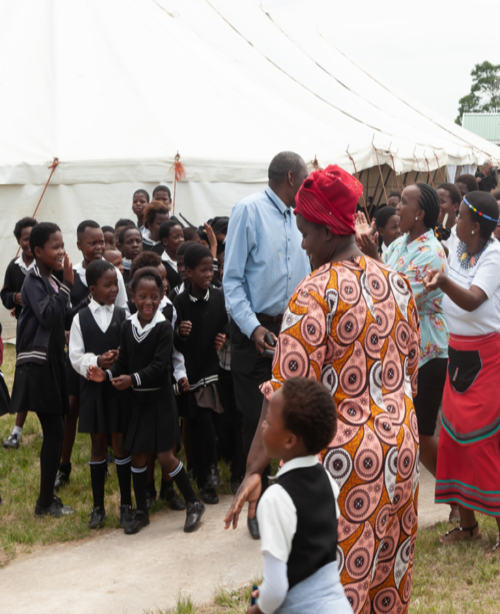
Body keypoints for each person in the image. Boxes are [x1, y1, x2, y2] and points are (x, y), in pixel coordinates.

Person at [226, 164, 419, 613]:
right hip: (401, 449)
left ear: (330, 232)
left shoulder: (313, 294)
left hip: (345, 464)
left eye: (307, 232)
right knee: (387, 576)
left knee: (338, 586)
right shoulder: (396, 282)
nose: (302, 242)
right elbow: (410, 367)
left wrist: (255, 466)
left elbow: (285, 395)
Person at [424, 190, 500, 557]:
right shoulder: (457, 243)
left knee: (481, 442)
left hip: (489, 358)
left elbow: (472, 299)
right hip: (458, 353)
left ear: (476, 226)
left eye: (461, 215)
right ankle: (467, 525)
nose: (454, 220)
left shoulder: (494, 255)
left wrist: (443, 281)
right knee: (451, 439)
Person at [222, 151, 311, 540]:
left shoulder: (300, 218)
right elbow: (232, 280)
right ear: (291, 177)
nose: (307, 184)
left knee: (293, 416)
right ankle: (257, 503)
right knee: (256, 420)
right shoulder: (249, 210)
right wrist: (254, 328)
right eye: (305, 178)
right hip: (256, 332)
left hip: (294, 330)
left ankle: (285, 500)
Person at [89, 266, 205, 534]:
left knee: (165, 456)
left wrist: (131, 380)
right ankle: (141, 512)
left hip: (161, 401)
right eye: (142, 296)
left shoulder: (163, 327)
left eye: (154, 296)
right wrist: (105, 375)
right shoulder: (128, 326)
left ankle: (193, 502)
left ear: (162, 296)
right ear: (132, 296)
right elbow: (123, 362)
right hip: (138, 403)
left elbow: (158, 366)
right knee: (138, 457)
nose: (148, 302)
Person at [246, 379, 352, 614]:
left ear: (289, 440)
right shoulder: (328, 481)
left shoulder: (275, 498)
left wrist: (257, 609)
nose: (263, 425)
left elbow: (276, 588)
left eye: (268, 421)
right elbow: (312, 556)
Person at [371, 183, 449, 484]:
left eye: (403, 202)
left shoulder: (431, 253)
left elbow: (397, 295)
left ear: (419, 214)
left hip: (429, 353)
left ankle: (461, 504)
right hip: (403, 352)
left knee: (423, 435)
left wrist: (372, 258)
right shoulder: (399, 244)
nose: (396, 207)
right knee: (408, 432)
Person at [12, 223, 75, 517]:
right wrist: (67, 286)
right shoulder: (33, 280)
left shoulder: (49, 278)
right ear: (37, 251)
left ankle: (46, 500)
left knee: (57, 429)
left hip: (53, 363)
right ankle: (44, 503)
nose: (61, 251)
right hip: (37, 366)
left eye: (62, 245)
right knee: (55, 430)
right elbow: (48, 316)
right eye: (55, 246)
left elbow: (61, 316)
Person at [68, 259, 132, 529]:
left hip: (117, 388)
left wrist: (116, 361)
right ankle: (98, 507)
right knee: (97, 445)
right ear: (92, 289)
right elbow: (75, 356)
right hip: (93, 391)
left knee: (120, 444)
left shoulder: (123, 315)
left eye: (116, 284)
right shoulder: (79, 318)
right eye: (107, 285)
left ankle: (126, 505)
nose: (114, 289)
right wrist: (97, 360)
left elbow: (130, 351)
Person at [174, 243, 229, 505]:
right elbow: (173, 342)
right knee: (194, 423)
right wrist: (179, 333)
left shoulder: (218, 296)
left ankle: (211, 468)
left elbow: (224, 324)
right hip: (188, 370)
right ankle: (201, 479)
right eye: (203, 270)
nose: (209, 274)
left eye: (211, 270)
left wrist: (223, 336)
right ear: (188, 271)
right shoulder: (180, 302)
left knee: (206, 417)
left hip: (210, 367)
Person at [2, 216, 37, 450]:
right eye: (26, 239)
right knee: (24, 378)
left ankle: (53, 426)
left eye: (34, 238)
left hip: (48, 331)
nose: (30, 243)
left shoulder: (51, 263)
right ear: (18, 240)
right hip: (25, 331)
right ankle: (17, 431)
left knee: (47, 379)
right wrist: (16, 298)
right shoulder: (14, 267)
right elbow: (5, 295)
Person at [159, 219, 185, 291]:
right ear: (165, 241)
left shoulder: (188, 259)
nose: (181, 240)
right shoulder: (161, 264)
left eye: (182, 236)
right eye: (176, 237)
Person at [435, 182, 462, 250]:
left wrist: (442, 248)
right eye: (436, 201)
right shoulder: (430, 230)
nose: (437, 205)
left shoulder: (461, 235)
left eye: (442, 202)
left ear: (455, 206)